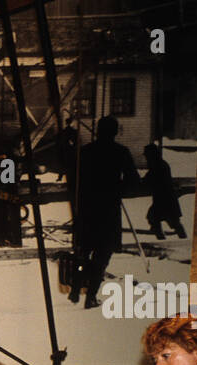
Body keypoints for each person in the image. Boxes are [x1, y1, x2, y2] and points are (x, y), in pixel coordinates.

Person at [69, 115, 140, 308]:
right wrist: (117, 190)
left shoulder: (85, 152)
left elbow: (73, 180)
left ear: (98, 131)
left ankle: (75, 289)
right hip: (108, 211)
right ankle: (91, 296)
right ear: (115, 132)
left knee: (83, 251)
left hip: (87, 210)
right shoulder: (121, 152)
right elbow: (134, 181)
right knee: (102, 255)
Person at [142, 143, 186, 240]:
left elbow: (150, 178)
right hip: (165, 198)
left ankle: (166, 238)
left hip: (165, 199)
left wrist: (141, 181)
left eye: (146, 154)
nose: (145, 156)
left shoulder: (157, 165)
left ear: (151, 154)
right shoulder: (159, 163)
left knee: (166, 220)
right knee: (160, 218)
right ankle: (164, 237)